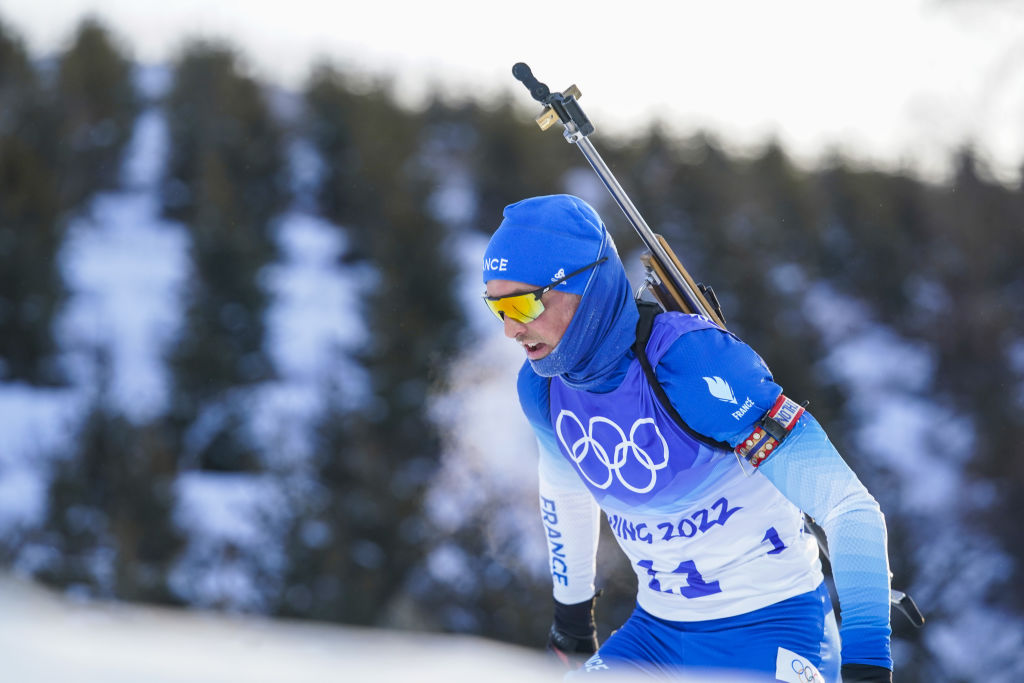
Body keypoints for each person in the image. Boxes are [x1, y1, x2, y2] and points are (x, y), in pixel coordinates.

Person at [481, 194, 893, 682]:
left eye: (523, 303)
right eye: (496, 307)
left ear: (585, 285)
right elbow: (566, 489)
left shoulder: (692, 364)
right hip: (657, 634)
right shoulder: (543, 390)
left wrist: (868, 660)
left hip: (774, 627)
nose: (510, 330)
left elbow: (847, 506)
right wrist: (571, 616)